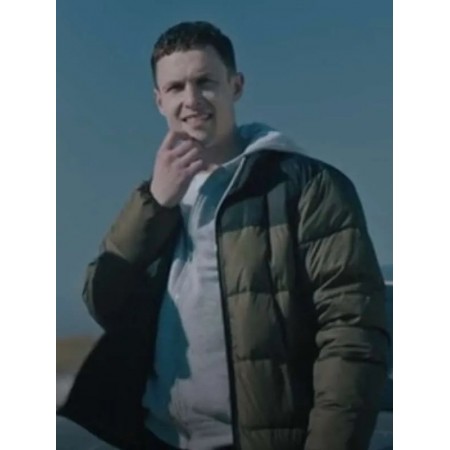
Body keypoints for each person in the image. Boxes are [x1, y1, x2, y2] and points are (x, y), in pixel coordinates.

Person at [58, 21, 389, 450]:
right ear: (159, 101)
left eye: (205, 82)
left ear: (236, 86)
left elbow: (351, 333)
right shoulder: (158, 199)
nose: (191, 99)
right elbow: (103, 302)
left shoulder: (309, 187)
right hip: (158, 438)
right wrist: (154, 204)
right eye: (175, 87)